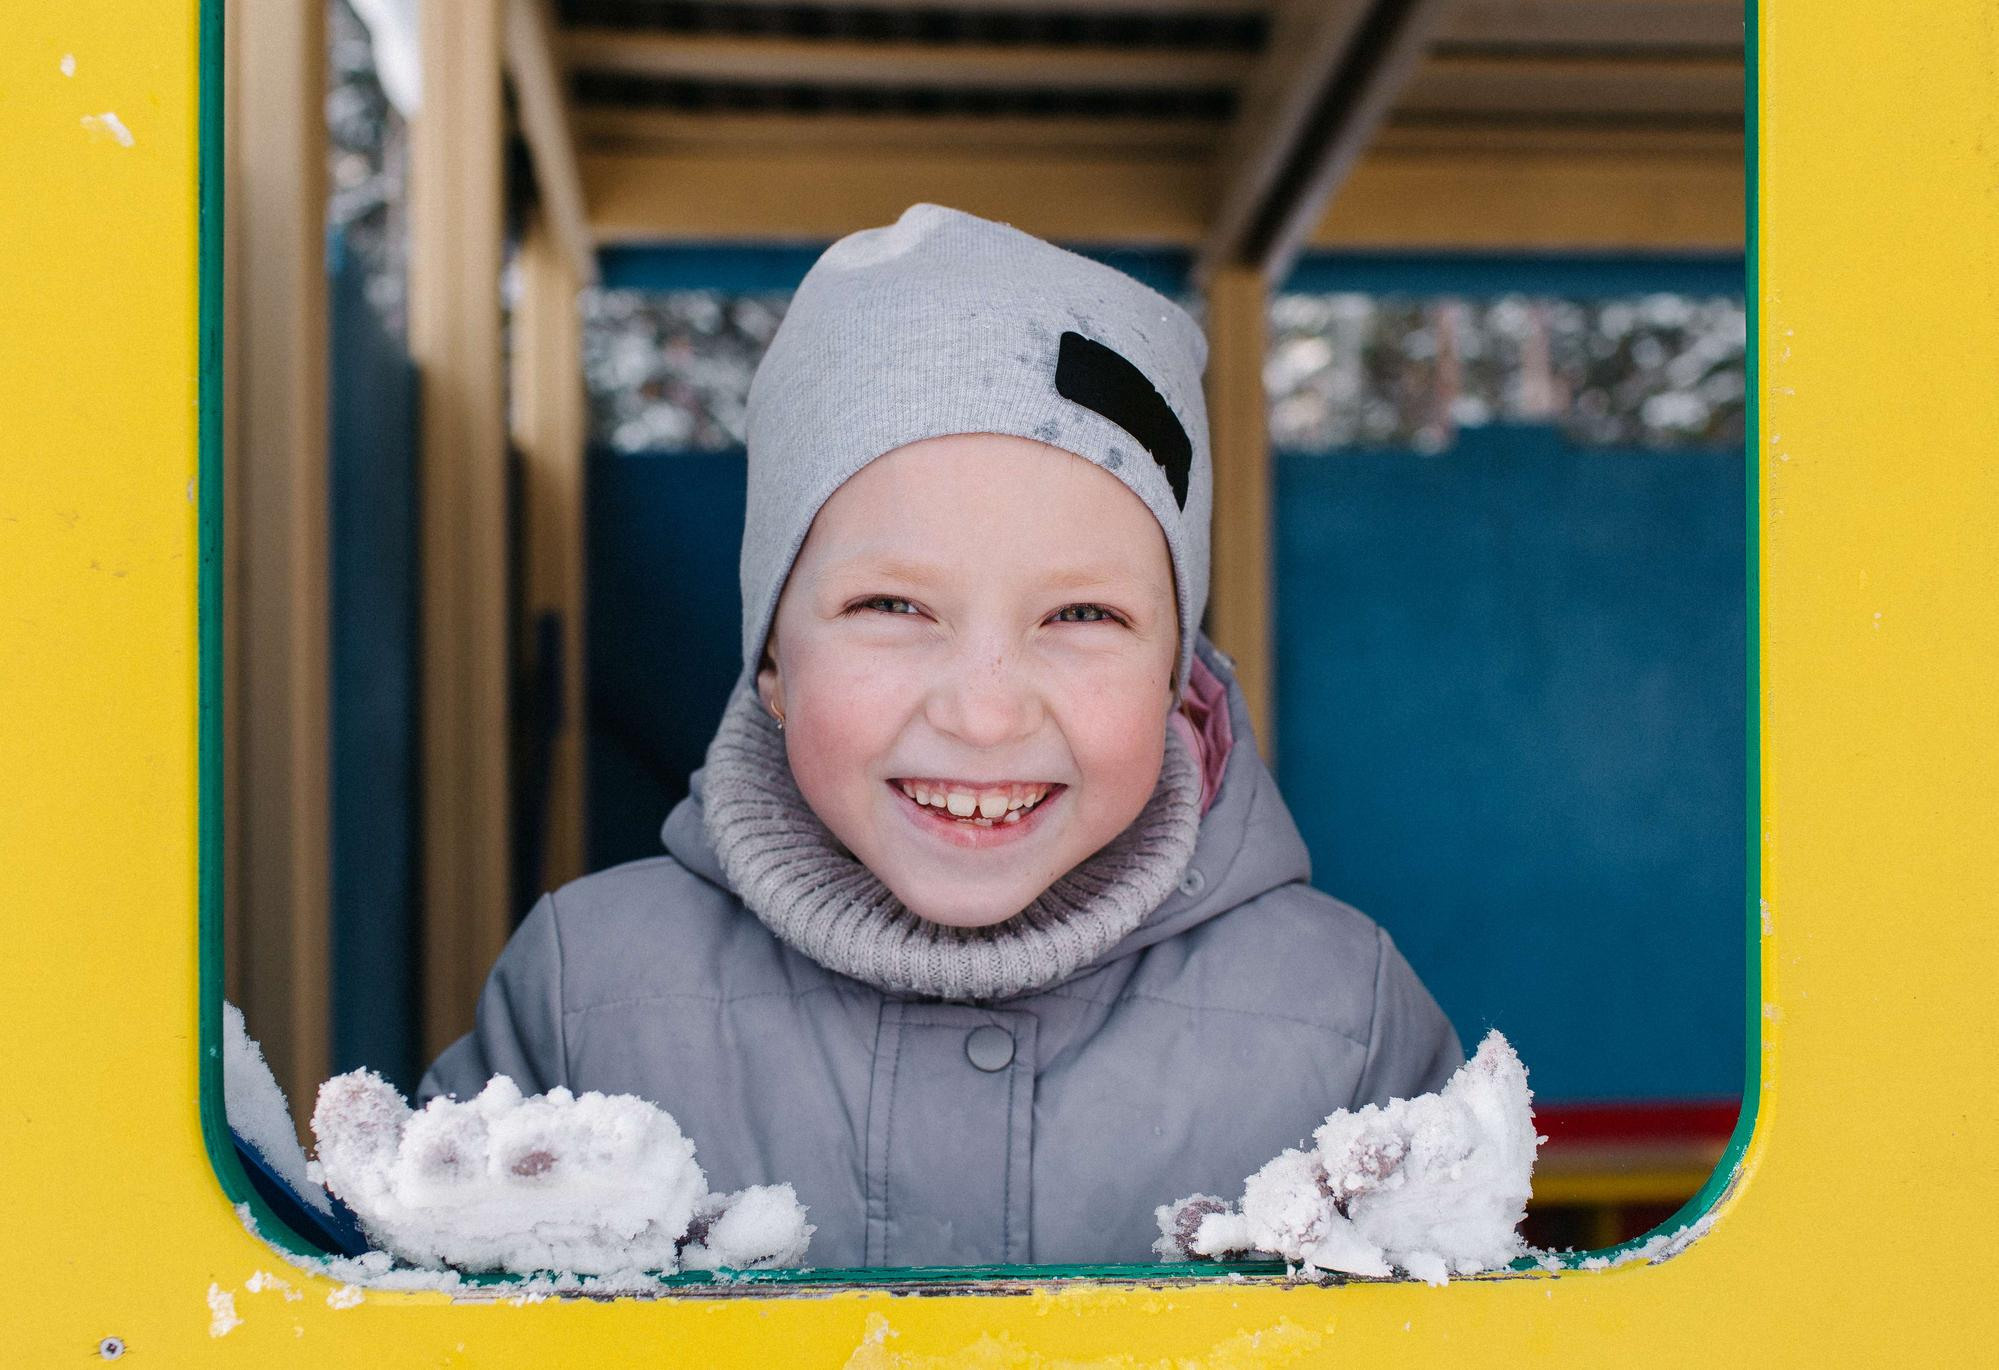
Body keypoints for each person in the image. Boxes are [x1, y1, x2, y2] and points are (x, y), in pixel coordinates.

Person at [419, 202, 1462, 1267]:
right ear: (771, 659)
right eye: (893, 607)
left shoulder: (1345, 1020)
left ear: (1172, 671)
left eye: (1082, 615)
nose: (985, 710)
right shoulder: (585, 995)